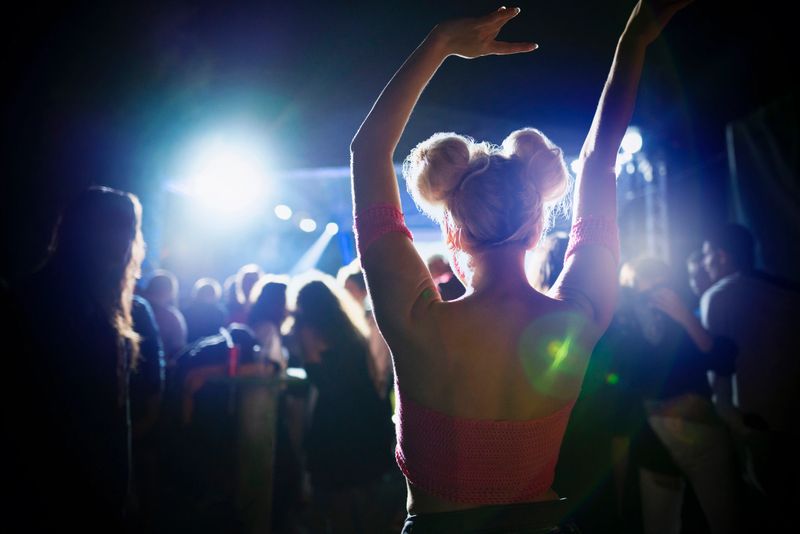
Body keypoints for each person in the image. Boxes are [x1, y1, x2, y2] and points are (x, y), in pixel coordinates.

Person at [349, 2, 692, 531]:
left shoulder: (417, 322)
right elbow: (600, 157)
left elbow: (368, 148)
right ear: (538, 227)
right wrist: (634, 43)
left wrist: (440, 42)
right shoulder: (579, 316)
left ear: (452, 229)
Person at [1, 186, 145, 529]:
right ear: (82, 233)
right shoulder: (39, 304)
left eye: (127, 229)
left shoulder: (104, 308)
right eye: (110, 227)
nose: (121, 242)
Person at [619, 257, 739, 534]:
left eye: (661, 289)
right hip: (655, 440)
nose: (655, 301)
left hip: (701, 433)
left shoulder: (685, 322)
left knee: (724, 519)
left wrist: (685, 317)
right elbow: (624, 382)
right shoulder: (628, 330)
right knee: (660, 524)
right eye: (645, 293)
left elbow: (723, 359)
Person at [700, 223, 800, 521]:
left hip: (752, 425)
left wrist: (729, 419)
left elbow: (717, 367)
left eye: (706, 256)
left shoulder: (718, 296)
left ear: (721, 256)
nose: (704, 264)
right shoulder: (789, 293)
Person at [292, 276, 396, 532]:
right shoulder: (350, 329)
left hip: (336, 422)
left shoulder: (308, 330)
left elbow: (319, 379)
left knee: (334, 497)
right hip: (366, 416)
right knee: (365, 495)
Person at [144, 269, 188, 366]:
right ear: (170, 292)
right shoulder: (172, 317)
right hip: (161, 369)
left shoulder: (134, 310)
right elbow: (178, 349)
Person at [183, 277, 226, 343]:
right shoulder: (188, 312)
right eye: (205, 293)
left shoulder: (218, 313)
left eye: (209, 293)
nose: (207, 295)